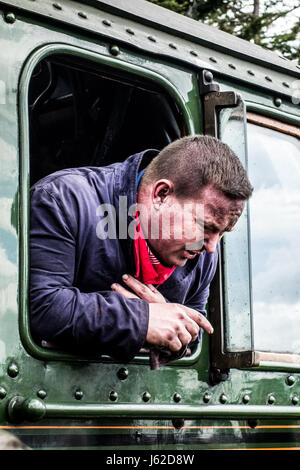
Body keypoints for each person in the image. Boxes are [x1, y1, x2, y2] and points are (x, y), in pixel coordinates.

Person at [29, 135, 253, 367]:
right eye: (205, 226)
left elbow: (196, 331)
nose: (211, 247)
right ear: (161, 194)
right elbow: (42, 306)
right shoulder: (63, 200)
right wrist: (141, 319)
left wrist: (167, 319)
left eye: (223, 232)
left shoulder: (203, 255)